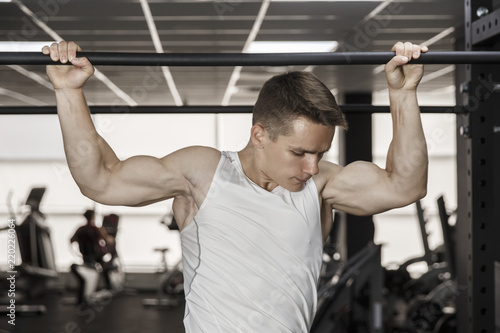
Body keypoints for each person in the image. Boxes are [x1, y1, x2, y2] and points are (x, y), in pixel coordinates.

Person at [44, 41, 428, 332]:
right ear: (259, 135)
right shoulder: (203, 172)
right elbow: (101, 180)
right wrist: (68, 91)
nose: (312, 166)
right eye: (299, 152)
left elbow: (404, 186)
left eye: (320, 153)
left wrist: (404, 94)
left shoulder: (322, 185)